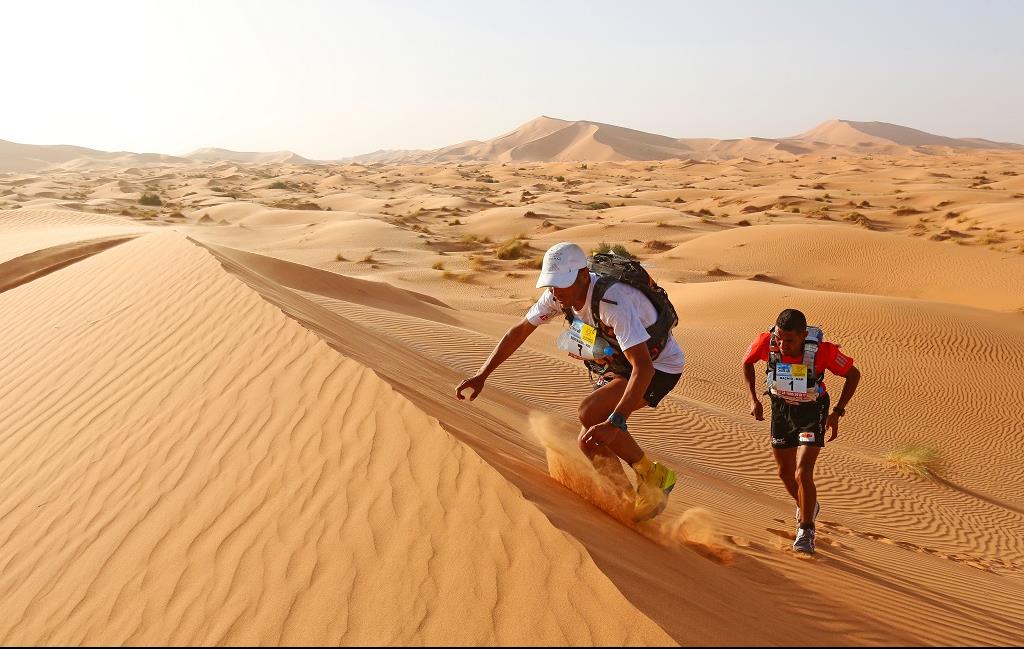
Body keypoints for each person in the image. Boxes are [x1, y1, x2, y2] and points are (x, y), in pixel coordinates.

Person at [455, 242, 685, 521]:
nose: (555, 292)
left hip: (658, 367)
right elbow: (519, 331)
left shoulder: (614, 303)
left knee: (590, 413)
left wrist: (617, 421)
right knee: (589, 442)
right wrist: (483, 374)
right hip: (621, 364)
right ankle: (626, 504)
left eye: (561, 284)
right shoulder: (558, 296)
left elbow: (644, 368)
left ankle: (653, 475)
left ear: (584, 276)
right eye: (551, 285)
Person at [742, 308, 861, 555]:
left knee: (802, 471)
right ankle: (808, 505)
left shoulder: (824, 351)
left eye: (790, 340)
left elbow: (853, 374)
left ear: (803, 336)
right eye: (780, 338)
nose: (783, 345)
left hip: (812, 412)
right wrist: (753, 399)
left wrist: (837, 412)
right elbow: (747, 362)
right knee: (784, 472)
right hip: (781, 410)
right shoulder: (766, 342)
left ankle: (806, 530)